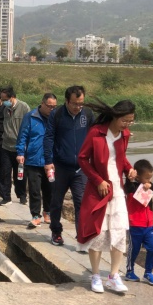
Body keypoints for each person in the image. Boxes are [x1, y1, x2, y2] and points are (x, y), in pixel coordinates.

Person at [77, 99, 137, 294]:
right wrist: (98, 181)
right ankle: (95, 275)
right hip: (99, 190)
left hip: (117, 189)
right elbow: (83, 159)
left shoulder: (125, 134)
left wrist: (129, 170)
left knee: (119, 232)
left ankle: (113, 276)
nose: (127, 125)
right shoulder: (96, 132)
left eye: (130, 121)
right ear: (115, 116)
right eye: (124, 120)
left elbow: (121, 157)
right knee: (98, 232)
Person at [43, 85, 94, 246]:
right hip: (60, 166)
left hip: (81, 168)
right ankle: (56, 232)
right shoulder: (57, 114)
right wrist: (48, 161)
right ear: (67, 101)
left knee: (81, 202)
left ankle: (81, 236)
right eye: (75, 104)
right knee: (56, 201)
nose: (78, 107)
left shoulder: (87, 114)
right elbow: (49, 138)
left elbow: (97, 134)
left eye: (81, 103)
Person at [16, 93, 58, 228]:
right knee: (34, 189)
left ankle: (47, 212)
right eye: (49, 106)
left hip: (50, 160)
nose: (52, 109)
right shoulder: (31, 116)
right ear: (42, 103)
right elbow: (23, 136)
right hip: (33, 159)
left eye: (54, 106)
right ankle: (35, 215)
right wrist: (20, 152)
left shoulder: (56, 118)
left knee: (50, 188)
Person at [124, 159, 153, 286]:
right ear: (138, 176)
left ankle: (148, 272)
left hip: (149, 225)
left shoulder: (150, 186)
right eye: (146, 178)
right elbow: (127, 187)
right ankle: (130, 271)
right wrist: (130, 179)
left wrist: (150, 185)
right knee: (134, 249)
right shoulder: (132, 187)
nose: (148, 180)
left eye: (150, 177)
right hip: (135, 225)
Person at [0, 86, 30, 206]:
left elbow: (29, 126)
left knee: (20, 173)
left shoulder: (24, 107)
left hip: (19, 148)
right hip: (6, 146)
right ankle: (6, 197)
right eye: (2, 99)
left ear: (12, 97)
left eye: (5, 99)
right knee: (5, 172)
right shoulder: (5, 109)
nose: (3, 102)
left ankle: (22, 195)